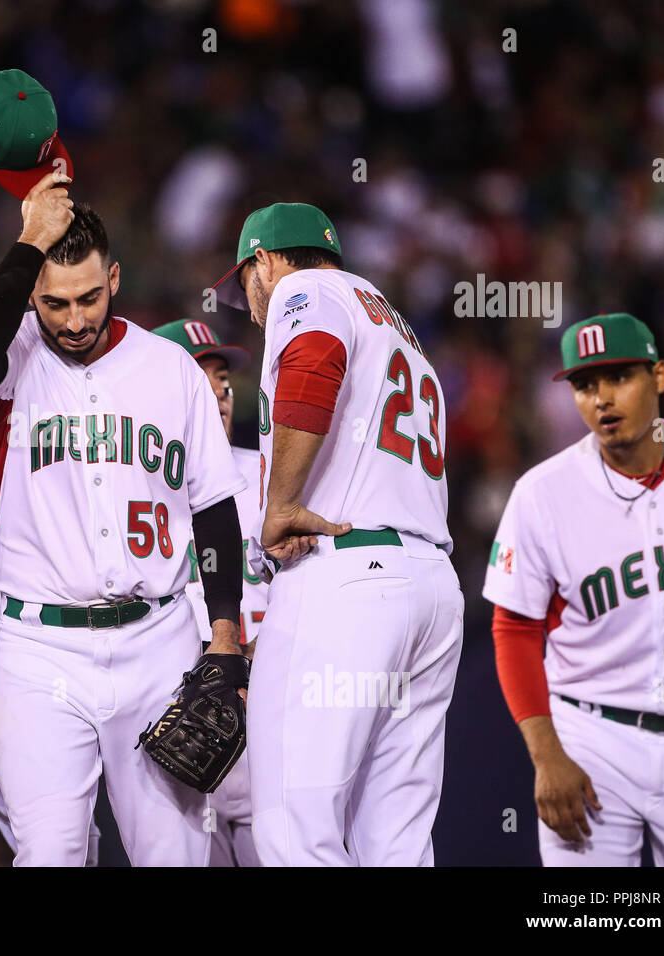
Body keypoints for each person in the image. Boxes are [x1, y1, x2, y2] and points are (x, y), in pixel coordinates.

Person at [0, 173, 247, 866]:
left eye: (89, 297)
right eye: (54, 303)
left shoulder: (170, 369)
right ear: (30, 296)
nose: (75, 319)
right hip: (40, 651)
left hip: (159, 642)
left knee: (171, 856)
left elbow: (214, 508)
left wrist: (223, 633)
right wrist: (28, 243)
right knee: (49, 854)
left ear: (114, 278)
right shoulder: (10, 361)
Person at [214, 202, 463, 866]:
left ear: (263, 261)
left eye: (243, 281)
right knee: (395, 838)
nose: (248, 300)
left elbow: (313, 360)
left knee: (295, 828)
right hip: (429, 584)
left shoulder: (306, 290)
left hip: (350, 578)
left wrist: (282, 502)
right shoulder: (394, 321)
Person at [483, 313, 664, 865]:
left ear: (658, 375)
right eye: (585, 385)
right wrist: (546, 756)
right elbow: (514, 629)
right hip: (591, 736)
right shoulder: (541, 493)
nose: (602, 398)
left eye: (619, 377)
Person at [151, 318, 264, 867]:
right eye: (201, 380)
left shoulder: (271, 475)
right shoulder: (141, 482)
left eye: (223, 380)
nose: (219, 394)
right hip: (186, 712)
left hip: (269, 703)